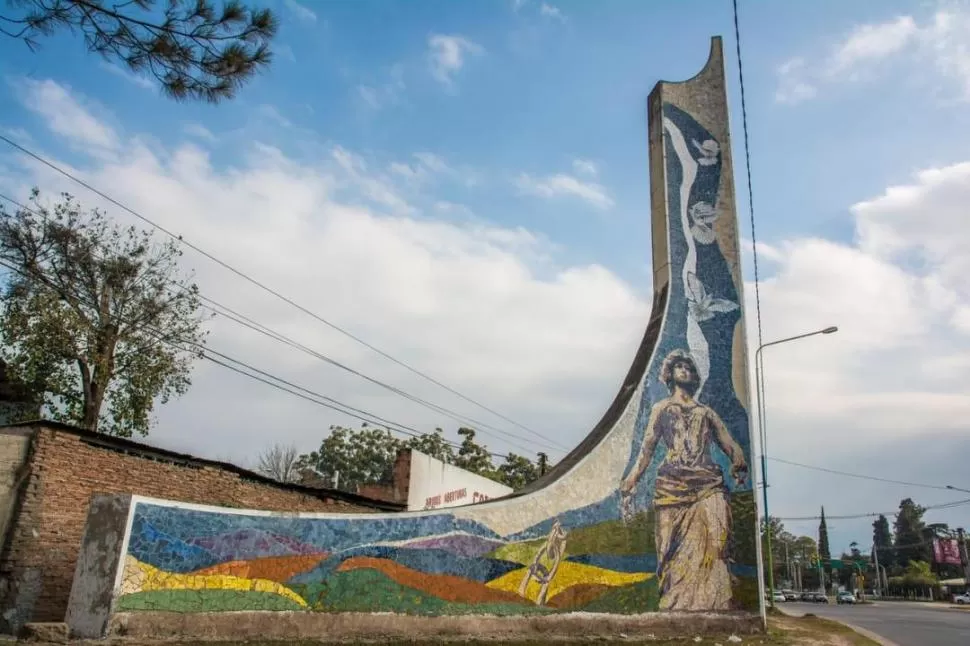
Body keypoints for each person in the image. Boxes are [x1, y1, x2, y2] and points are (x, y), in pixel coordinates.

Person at [619, 349, 748, 611]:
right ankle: (675, 601)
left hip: (707, 482)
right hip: (672, 483)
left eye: (688, 367)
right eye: (678, 366)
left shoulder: (705, 412)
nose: (684, 370)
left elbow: (727, 441)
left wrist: (739, 459)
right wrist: (631, 480)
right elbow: (647, 448)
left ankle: (715, 599)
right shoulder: (661, 408)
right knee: (669, 546)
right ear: (669, 374)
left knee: (717, 536)